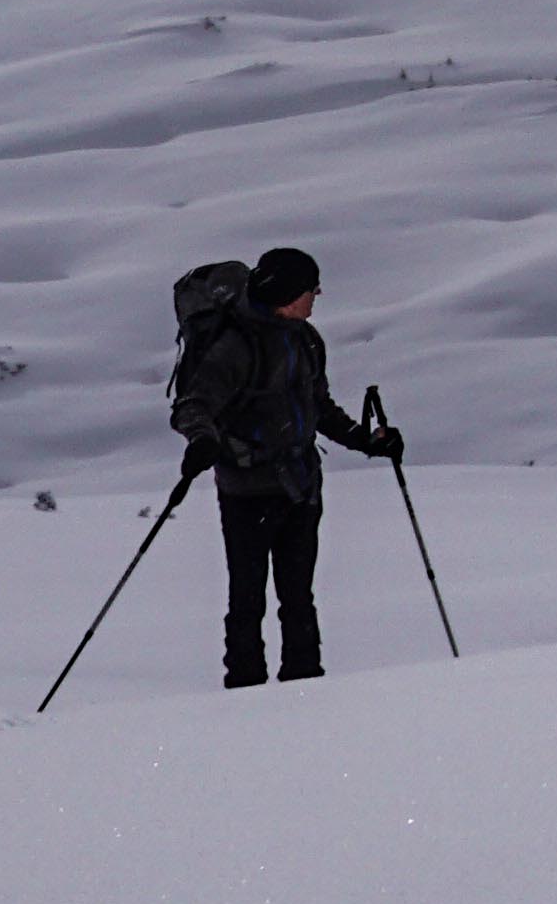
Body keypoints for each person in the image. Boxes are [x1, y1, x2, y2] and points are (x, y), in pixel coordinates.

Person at [169, 243, 400, 687]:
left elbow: (318, 408)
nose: (315, 298)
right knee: (249, 600)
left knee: (296, 598)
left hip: (298, 487)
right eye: (313, 290)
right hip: (248, 491)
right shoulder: (236, 346)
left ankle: (303, 688)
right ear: (290, 294)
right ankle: (247, 691)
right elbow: (191, 405)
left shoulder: (305, 340)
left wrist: (366, 442)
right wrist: (202, 439)